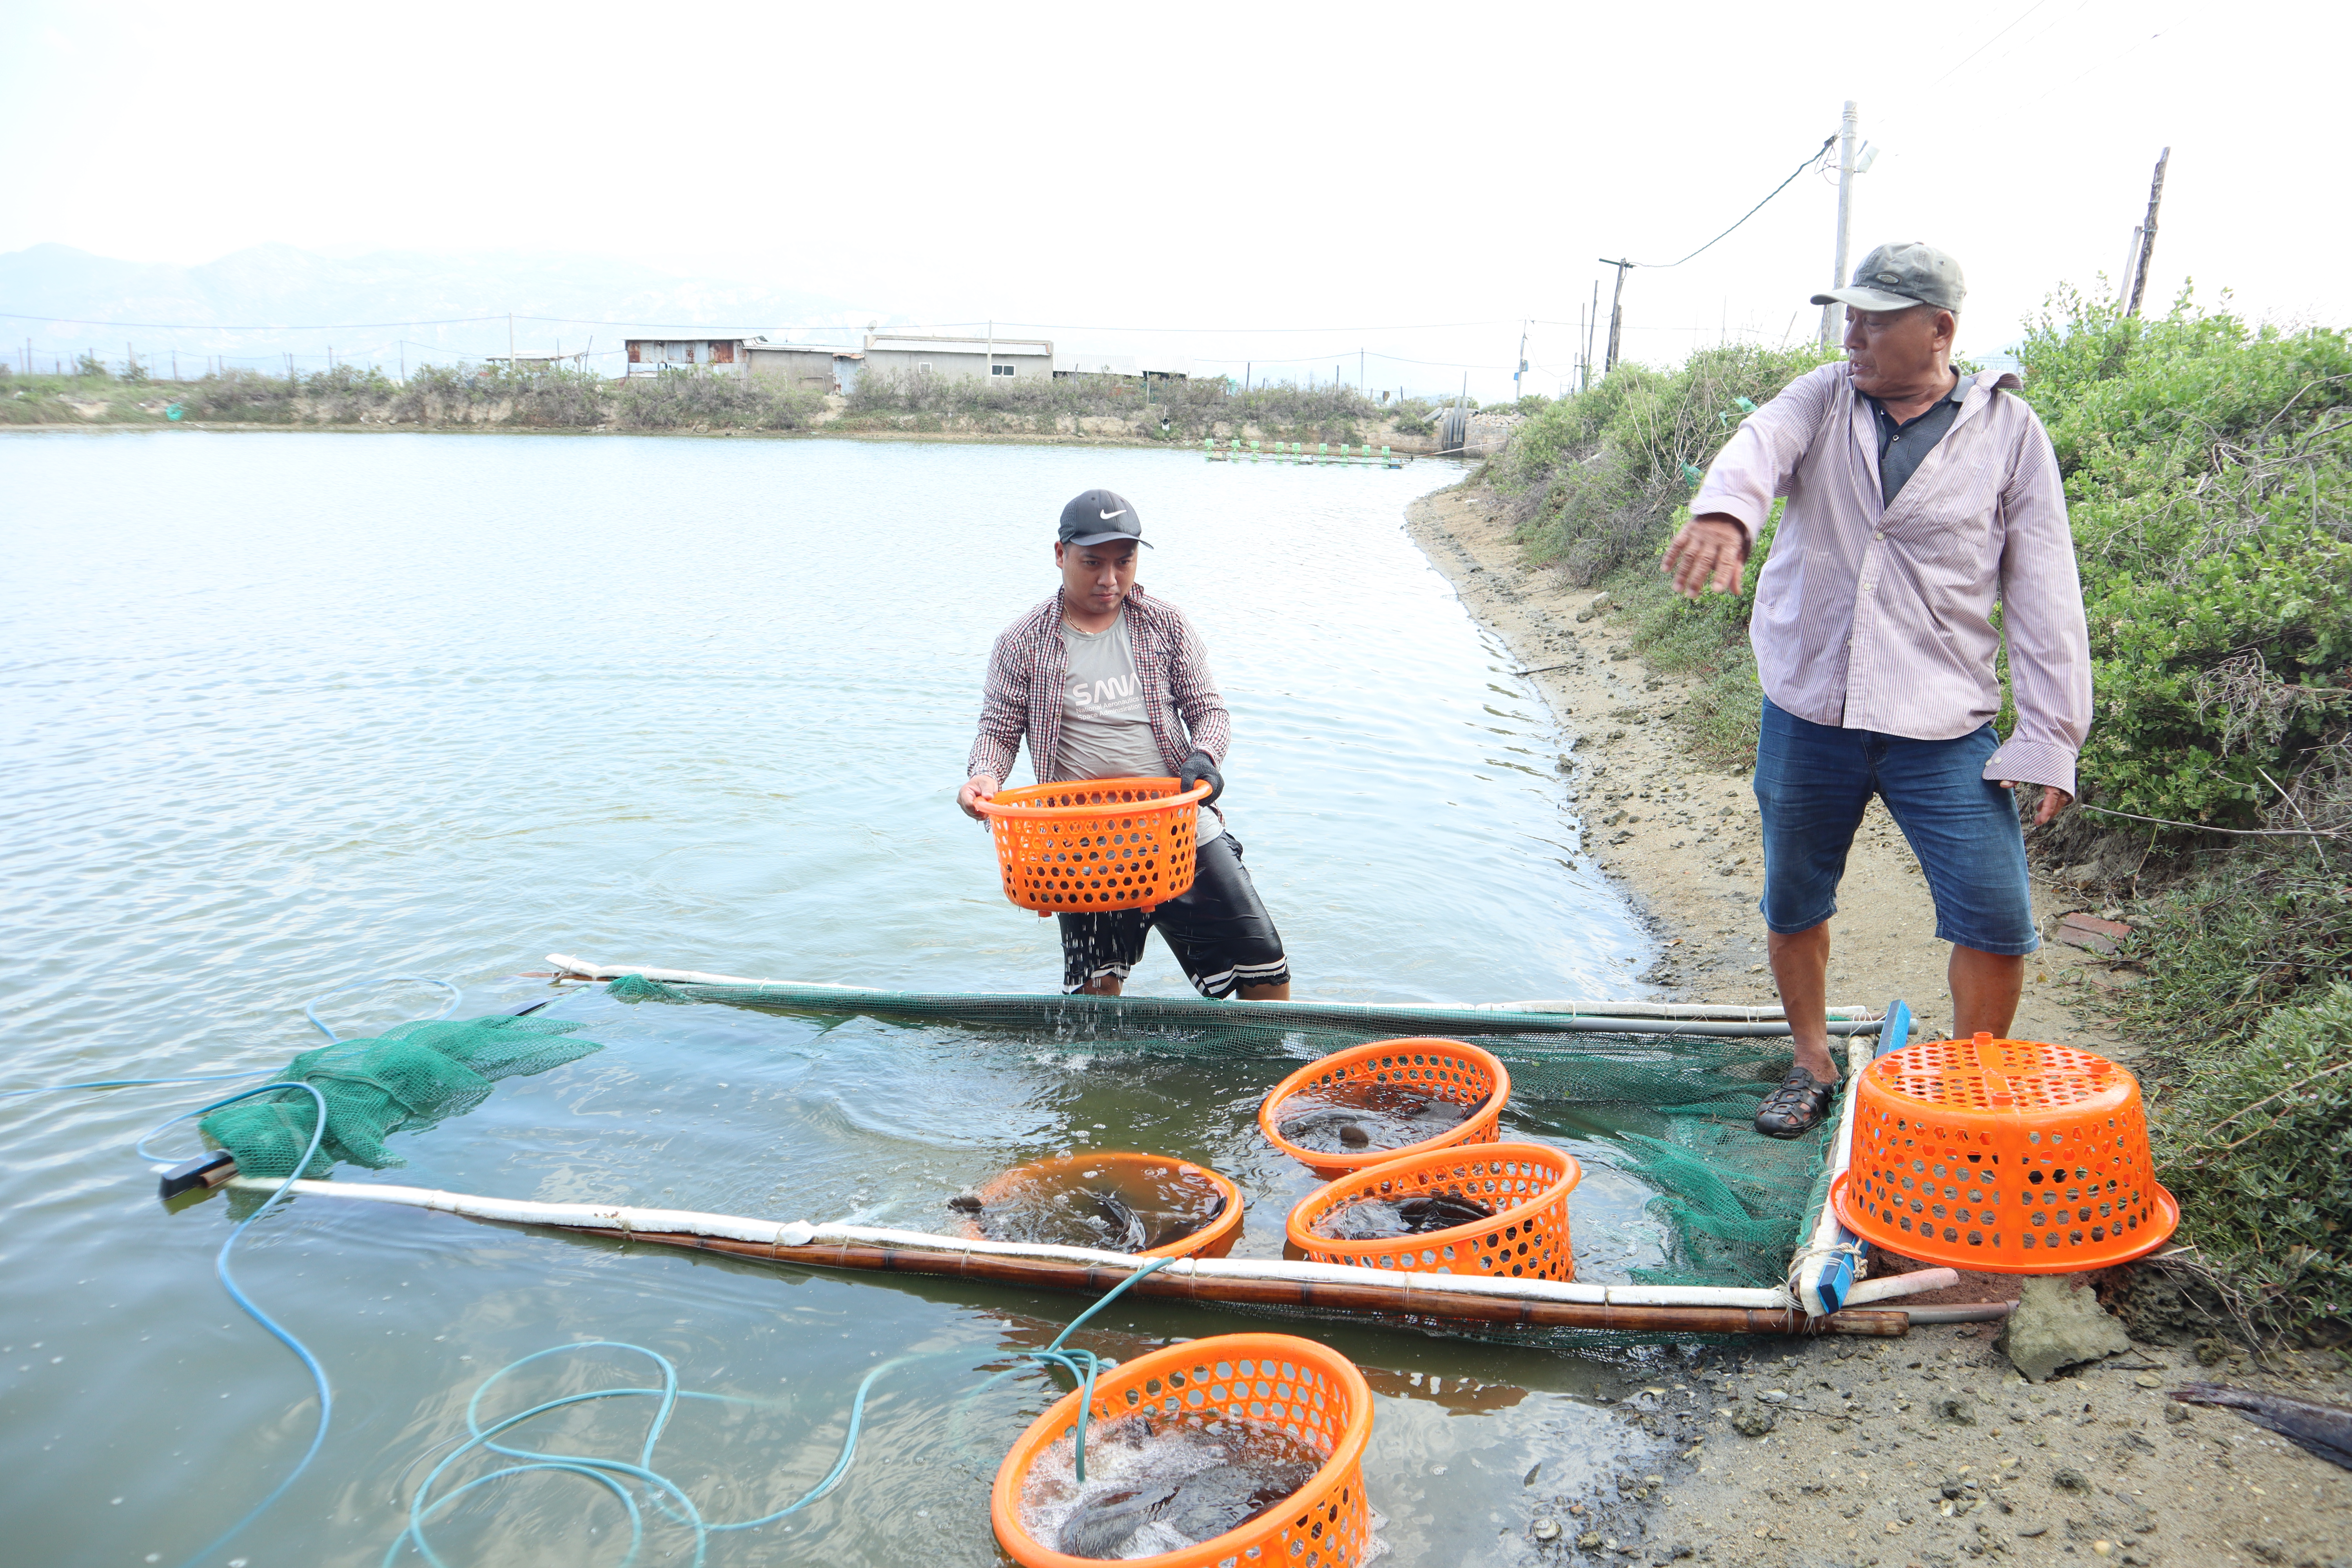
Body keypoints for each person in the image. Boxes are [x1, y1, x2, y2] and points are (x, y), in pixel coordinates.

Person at [1662, 241, 2092, 1139]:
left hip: (1943, 720)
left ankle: (1965, 1089)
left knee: (1996, 917)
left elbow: (2045, 589)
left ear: (1939, 330)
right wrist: (1723, 512)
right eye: (1847, 315)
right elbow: (1758, 446)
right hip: (1808, 705)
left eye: (1874, 318)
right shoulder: (1822, 396)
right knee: (1795, 897)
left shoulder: (2011, 432)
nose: (1851, 333)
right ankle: (1811, 1058)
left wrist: (2053, 731)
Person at [958, 488, 1292, 1001]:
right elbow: (999, 732)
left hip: (1176, 830)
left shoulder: (1166, 625)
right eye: (1092, 563)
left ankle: (1263, 1071)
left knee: (1265, 970)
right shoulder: (1022, 641)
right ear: (1060, 555)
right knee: (1098, 988)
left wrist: (1204, 758)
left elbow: (1209, 711)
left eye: (1124, 561)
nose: (1110, 579)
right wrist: (983, 777)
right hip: (1083, 838)